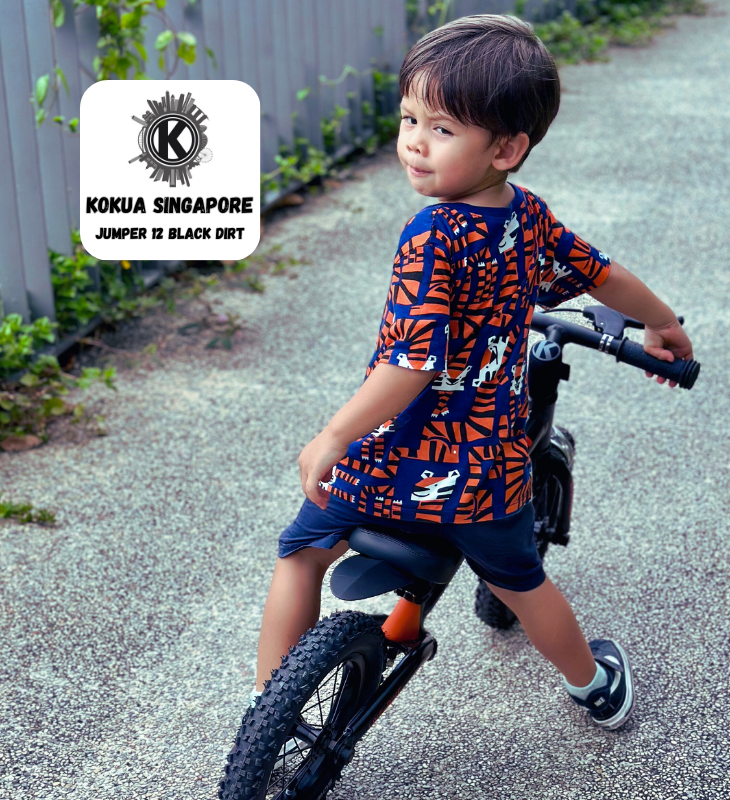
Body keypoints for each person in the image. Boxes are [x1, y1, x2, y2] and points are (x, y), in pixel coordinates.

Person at [250, 14, 693, 731]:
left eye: (443, 128)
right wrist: (662, 323)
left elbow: (410, 365)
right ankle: (593, 686)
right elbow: (601, 276)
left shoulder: (431, 236)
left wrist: (334, 435)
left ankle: (268, 708)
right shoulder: (528, 220)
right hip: (483, 472)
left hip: (386, 462)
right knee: (522, 583)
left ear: (508, 147)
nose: (414, 142)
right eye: (409, 119)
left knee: (301, 556)